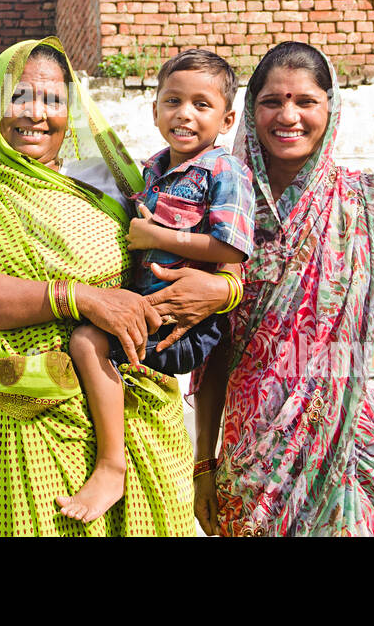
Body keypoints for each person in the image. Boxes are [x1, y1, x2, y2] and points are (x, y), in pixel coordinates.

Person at [0, 37, 232, 536]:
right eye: (19, 96)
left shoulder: (110, 185)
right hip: (20, 425)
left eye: (53, 100)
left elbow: (205, 247)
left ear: (73, 112)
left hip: (142, 418)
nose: (36, 114)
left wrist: (226, 290)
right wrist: (80, 298)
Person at [192, 41, 374, 537]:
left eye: (305, 100)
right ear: (250, 111)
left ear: (331, 108)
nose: (288, 115)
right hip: (256, 463)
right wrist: (204, 463)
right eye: (272, 101)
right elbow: (216, 347)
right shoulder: (228, 208)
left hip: (360, 454)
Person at [58, 49, 254, 523]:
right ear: (155, 111)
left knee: (87, 340)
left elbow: (232, 249)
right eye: (172, 101)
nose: (184, 113)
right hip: (151, 307)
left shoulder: (226, 172)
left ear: (227, 119)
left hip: (186, 323)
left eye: (201, 105)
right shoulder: (148, 170)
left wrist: (157, 237)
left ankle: (111, 465)